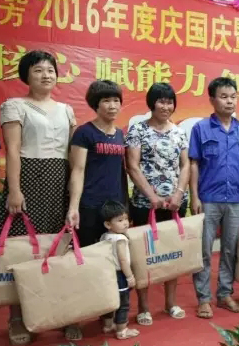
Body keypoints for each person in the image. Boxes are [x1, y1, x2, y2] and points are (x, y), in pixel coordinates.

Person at [0, 50, 77, 345]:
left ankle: (63, 314)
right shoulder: (14, 106)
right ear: (26, 75)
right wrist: (15, 190)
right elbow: (13, 150)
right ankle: (17, 318)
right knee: (23, 250)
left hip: (59, 181)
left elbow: (72, 156)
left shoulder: (66, 110)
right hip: (28, 179)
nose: (46, 75)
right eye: (38, 70)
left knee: (60, 249)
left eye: (50, 70)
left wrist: (74, 195)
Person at [189, 77, 239, 319]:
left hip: (235, 199)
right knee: (204, 251)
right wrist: (194, 196)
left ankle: (225, 294)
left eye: (233, 97)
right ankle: (203, 299)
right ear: (212, 100)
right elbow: (194, 164)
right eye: (224, 96)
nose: (229, 101)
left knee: (230, 249)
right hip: (208, 198)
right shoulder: (201, 128)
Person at [66, 80, 126, 341]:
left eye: (116, 100)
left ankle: (107, 314)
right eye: (106, 101)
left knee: (111, 265)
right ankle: (74, 319)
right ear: (95, 104)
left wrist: (123, 211)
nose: (112, 106)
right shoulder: (84, 133)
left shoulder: (120, 134)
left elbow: (121, 173)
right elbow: (77, 170)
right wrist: (74, 207)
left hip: (113, 210)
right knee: (85, 264)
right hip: (90, 207)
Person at [125, 82, 189, 325]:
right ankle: (143, 307)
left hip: (174, 204)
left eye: (170, 102)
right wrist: (151, 196)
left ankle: (171, 303)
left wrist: (179, 193)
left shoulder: (179, 132)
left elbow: (185, 165)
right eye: (161, 101)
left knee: (172, 251)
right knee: (144, 255)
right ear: (152, 103)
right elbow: (132, 166)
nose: (166, 106)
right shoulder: (138, 130)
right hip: (145, 204)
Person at [98, 200, 139, 340]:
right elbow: (123, 260)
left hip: (108, 273)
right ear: (108, 224)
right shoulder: (120, 238)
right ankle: (122, 330)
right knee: (123, 303)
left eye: (126, 219)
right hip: (120, 274)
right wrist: (129, 276)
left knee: (110, 300)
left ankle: (108, 325)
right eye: (120, 220)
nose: (125, 223)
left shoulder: (104, 236)